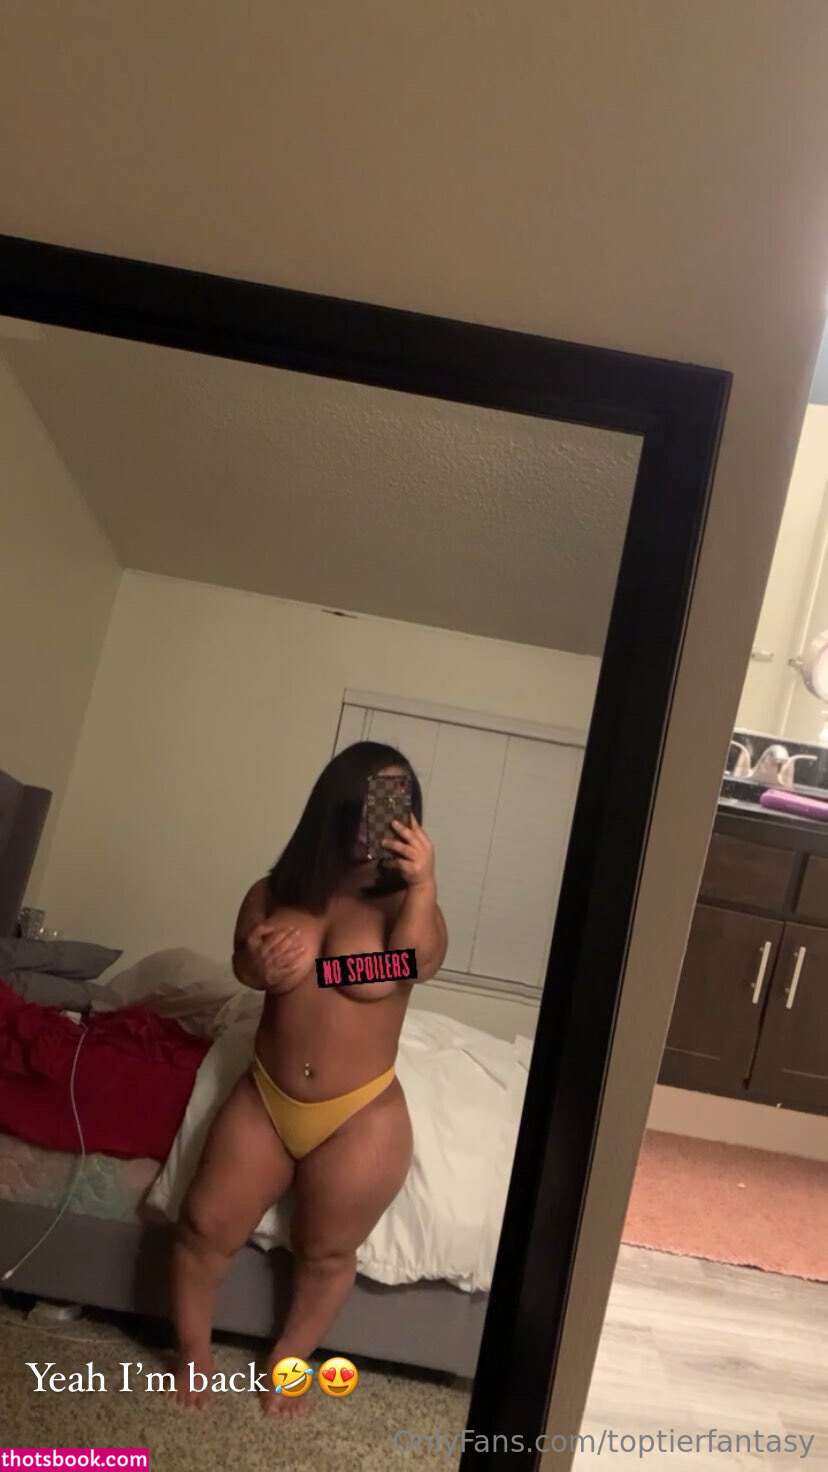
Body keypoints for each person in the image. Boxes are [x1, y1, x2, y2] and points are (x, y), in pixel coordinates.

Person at [171, 741, 448, 1412]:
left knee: (324, 1252)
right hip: (266, 1097)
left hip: (360, 1113)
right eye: (365, 803)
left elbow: (412, 965)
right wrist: (260, 965)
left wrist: (423, 884)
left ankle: (287, 1359)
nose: (377, 819)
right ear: (334, 806)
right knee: (204, 1226)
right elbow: (242, 967)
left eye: (395, 803)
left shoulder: (404, 906)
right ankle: (191, 1354)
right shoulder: (274, 892)